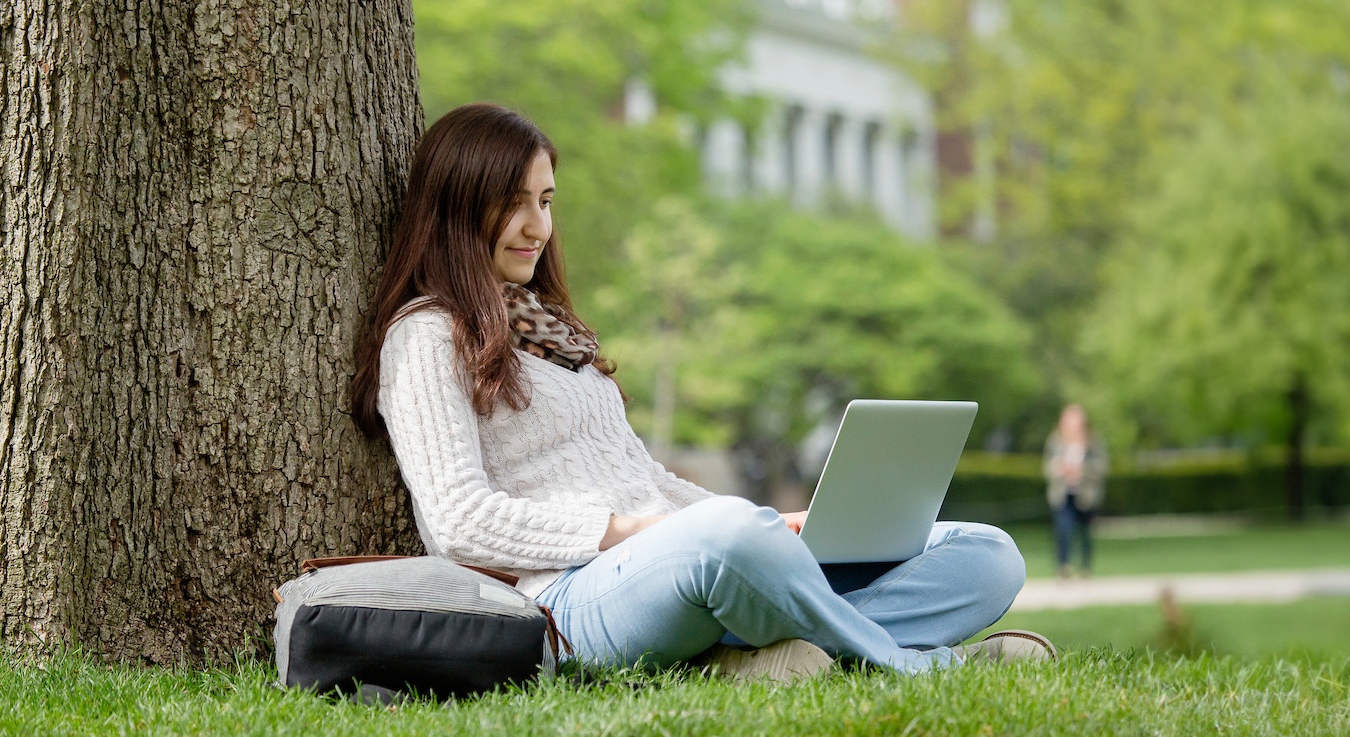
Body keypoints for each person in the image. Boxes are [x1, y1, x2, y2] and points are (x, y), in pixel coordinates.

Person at [348, 103, 1051, 680]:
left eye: (545, 200)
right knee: (730, 538)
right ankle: (915, 663)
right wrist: (629, 532)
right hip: (570, 597)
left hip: (682, 555)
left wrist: (771, 524)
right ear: (456, 207)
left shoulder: (554, 330)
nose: (539, 226)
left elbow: (643, 478)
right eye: (513, 204)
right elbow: (456, 521)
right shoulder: (425, 334)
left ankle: (754, 658)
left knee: (986, 554)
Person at [1042, 404, 1108, 579]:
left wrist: (1081, 470)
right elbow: (1047, 466)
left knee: (1085, 532)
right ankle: (1063, 566)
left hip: (1085, 495)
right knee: (1063, 530)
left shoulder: (1093, 442)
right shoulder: (1055, 441)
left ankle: (1085, 567)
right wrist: (1061, 469)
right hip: (1063, 494)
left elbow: (1101, 467)